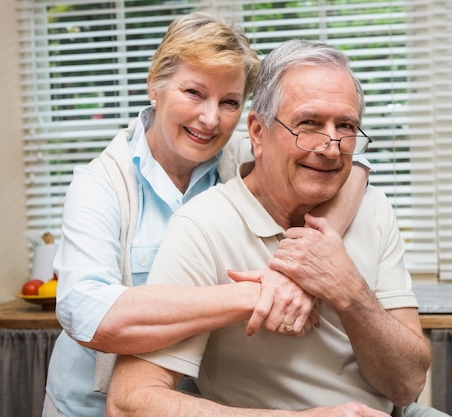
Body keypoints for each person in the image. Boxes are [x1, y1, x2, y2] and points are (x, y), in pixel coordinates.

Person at [42, 13, 370, 417]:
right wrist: (253, 294)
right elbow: (88, 312)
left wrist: (307, 260)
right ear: (155, 85)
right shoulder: (101, 184)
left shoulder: (242, 159)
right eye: (194, 93)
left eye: (229, 101)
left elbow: (351, 169)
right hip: (91, 405)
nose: (211, 119)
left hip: (196, 401)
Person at [106, 39, 434, 417]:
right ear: (258, 134)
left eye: (345, 126)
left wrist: (350, 292)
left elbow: (408, 384)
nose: (331, 148)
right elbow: (128, 402)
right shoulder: (203, 227)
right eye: (308, 124)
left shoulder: (373, 208)